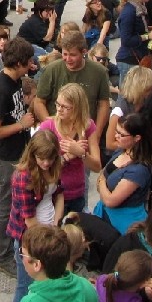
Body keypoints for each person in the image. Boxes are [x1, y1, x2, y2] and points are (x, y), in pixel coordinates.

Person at [0, 37, 36, 277]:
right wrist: (21, 124)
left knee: (15, 204)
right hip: (7, 159)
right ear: (18, 63)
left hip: (20, 153)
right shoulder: (0, 88)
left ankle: (11, 250)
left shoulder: (16, 82)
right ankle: (2, 256)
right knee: (5, 206)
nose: (30, 66)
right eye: (28, 63)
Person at [7, 128, 64, 302]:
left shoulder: (54, 168)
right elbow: (29, 222)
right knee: (25, 286)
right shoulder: (23, 177)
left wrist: (56, 223)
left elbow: (60, 194)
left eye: (50, 158)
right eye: (41, 158)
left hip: (49, 231)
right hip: (31, 239)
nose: (46, 163)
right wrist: (51, 238)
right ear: (32, 154)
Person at [37, 83, 101, 215]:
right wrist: (67, 157)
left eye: (65, 107)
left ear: (77, 108)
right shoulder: (48, 126)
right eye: (57, 104)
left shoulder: (88, 126)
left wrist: (81, 153)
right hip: (53, 193)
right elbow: (38, 164)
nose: (59, 110)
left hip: (77, 192)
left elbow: (97, 166)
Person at [93, 112, 152, 233]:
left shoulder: (139, 170)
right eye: (117, 131)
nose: (116, 136)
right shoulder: (120, 151)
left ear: (137, 138)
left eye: (122, 134)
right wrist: (102, 183)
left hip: (124, 224)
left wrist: (102, 181)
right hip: (104, 215)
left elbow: (111, 200)